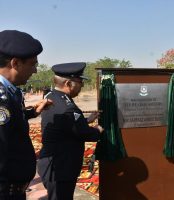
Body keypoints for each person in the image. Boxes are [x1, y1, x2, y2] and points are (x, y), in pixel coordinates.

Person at [37, 62, 104, 200]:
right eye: (80, 81)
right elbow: (85, 133)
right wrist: (98, 130)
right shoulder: (67, 107)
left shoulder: (52, 96)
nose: (82, 85)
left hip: (54, 163)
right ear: (68, 83)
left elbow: (66, 125)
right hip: (61, 168)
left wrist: (86, 120)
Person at [0, 30, 52, 199]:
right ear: (15, 63)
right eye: (32, 64)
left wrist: (30, 112)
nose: (35, 70)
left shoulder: (10, 91)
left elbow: (9, 122)